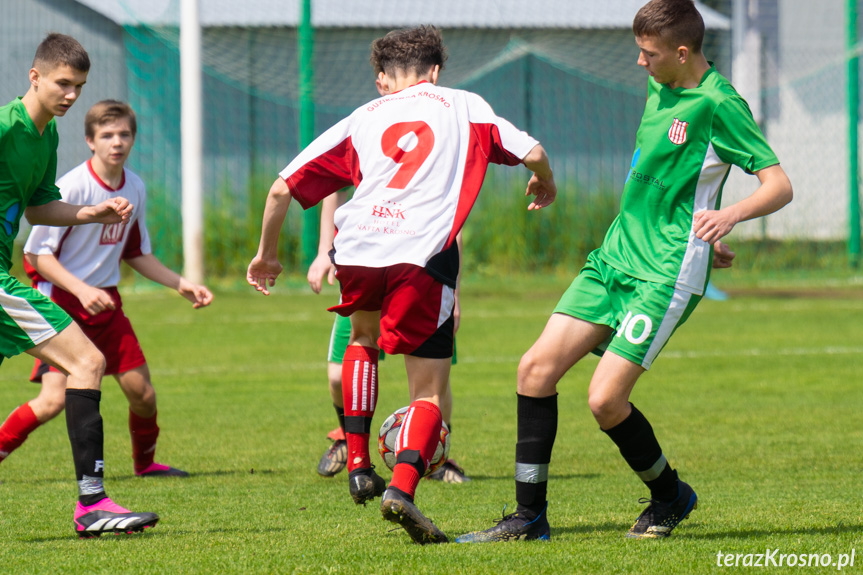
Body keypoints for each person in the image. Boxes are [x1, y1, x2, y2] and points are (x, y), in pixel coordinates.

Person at [456, 0, 792, 543]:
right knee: (534, 370)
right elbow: (672, 174)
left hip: (663, 273)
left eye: (649, 54)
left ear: (682, 53)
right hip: (613, 257)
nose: (640, 63)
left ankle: (670, 496)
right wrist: (693, 224)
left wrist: (727, 217)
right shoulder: (662, 86)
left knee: (604, 400)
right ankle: (528, 519)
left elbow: (779, 185)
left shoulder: (719, 103)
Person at [248, 25, 556, 544]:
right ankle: (404, 489)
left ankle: (360, 462)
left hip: (360, 248)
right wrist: (544, 180)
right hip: (422, 254)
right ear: (435, 71)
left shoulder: (363, 117)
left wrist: (267, 255)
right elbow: (532, 150)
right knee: (429, 390)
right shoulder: (464, 105)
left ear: (383, 80)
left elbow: (281, 188)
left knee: (363, 341)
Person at [0, 99, 212, 480]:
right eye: (107, 135)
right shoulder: (72, 185)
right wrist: (80, 290)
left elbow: (135, 252)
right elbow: (37, 255)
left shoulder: (136, 187)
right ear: (89, 141)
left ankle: (145, 465)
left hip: (107, 304)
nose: (117, 142)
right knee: (50, 402)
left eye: (124, 134)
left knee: (143, 395)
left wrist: (182, 284)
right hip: (63, 302)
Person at [0, 33, 159, 537]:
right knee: (87, 361)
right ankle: (92, 505)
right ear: (35, 77)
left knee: (86, 364)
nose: (70, 95)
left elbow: (38, 205)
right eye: (62, 83)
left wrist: (89, 214)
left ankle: (93, 504)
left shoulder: (45, 136)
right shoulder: (6, 127)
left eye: (79, 86)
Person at [308, 191, 469, 484]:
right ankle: (349, 438)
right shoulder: (369, 145)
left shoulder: (440, 149)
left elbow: (452, 216)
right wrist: (325, 251)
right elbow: (333, 188)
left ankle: (435, 452)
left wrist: (454, 292)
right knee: (336, 375)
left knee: (432, 381)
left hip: (419, 270)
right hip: (367, 261)